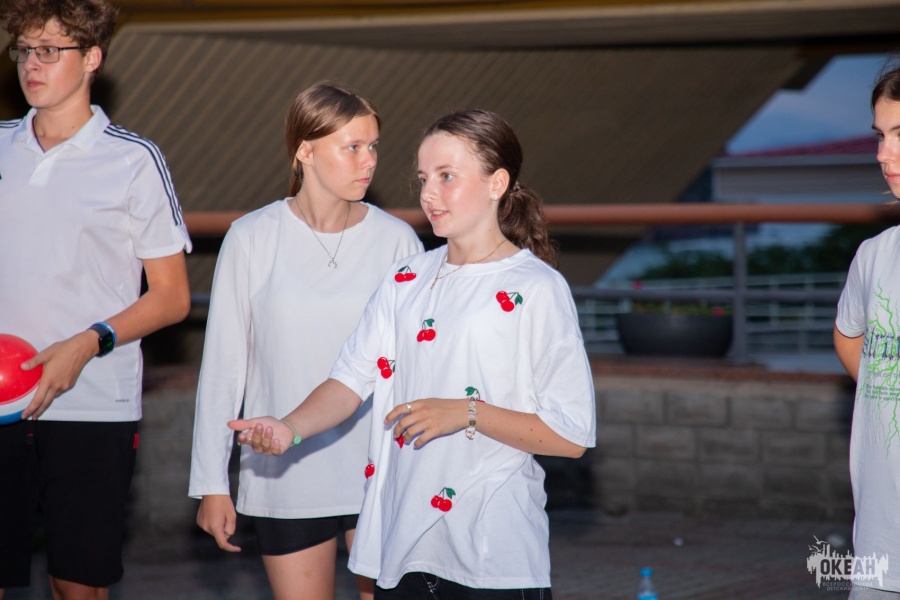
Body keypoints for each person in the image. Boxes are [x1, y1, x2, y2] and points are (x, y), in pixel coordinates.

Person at [229, 108, 597, 598]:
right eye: (424, 178)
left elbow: (571, 434)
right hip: (399, 548)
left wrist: (467, 412)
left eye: (447, 176)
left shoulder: (538, 287)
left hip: (492, 553)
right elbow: (349, 380)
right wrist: (288, 428)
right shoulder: (405, 278)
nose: (428, 193)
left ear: (497, 183)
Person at [188, 82, 423, 600]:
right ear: (305, 151)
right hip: (284, 471)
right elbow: (224, 366)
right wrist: (211, 483)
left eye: (373, 146)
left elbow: (415, 365)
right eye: (352, 146)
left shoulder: (398, 241)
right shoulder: (251, 237)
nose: (369, 160)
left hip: (378, 468)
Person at [0, 0, 192, 598]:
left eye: (49, 51)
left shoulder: (134, 160)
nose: (31, 65)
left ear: (92, 59)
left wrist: (87, 344)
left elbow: (172, 298)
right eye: (23, 50)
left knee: (76, 585)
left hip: (91, 404)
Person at [835, 64, 900, 599]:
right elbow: (848, 335)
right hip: (879, 555)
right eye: (881, 135)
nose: (884, 154)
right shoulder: (875, 254)